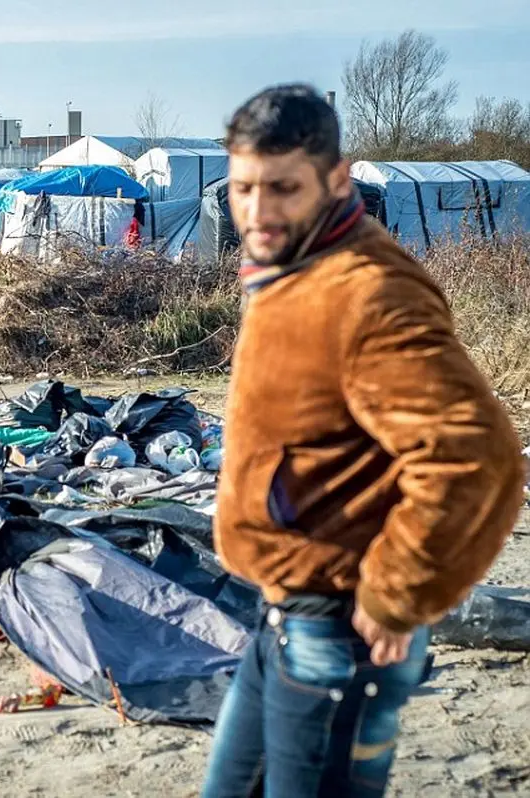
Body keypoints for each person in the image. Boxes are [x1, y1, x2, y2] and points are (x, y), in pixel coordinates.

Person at [202, 84, 523, 797]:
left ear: (337, 180)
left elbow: (475, 455)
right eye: (244, 188)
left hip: (340, 628)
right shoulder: (292, 268)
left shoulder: (368, 292)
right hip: (283, 612)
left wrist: (397, 593)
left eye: (283, 188)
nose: (257, 212)